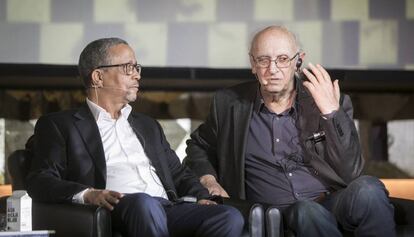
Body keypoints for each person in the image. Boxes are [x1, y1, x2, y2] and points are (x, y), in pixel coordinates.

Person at [185, 26, 396, 236]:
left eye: (283, 59)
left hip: (332, 200)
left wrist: (331, 114)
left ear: (298, 61)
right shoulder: (229, 104)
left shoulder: (329, 100)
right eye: (263, 60)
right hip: (276, 212)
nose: (273, 69)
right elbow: (199, 146)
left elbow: (352, 172)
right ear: (253, 64)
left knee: (368, 188)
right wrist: (208, 180)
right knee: (306, 210)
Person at [26, 37, 244, 237]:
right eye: (128, 68)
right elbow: (40, 180)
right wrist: (88, 194)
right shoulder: (60, 125)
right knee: (144, 203)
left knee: (228, 216)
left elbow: (178, 174)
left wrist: (200, 197)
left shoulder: (147, 125)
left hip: (167, 207)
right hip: (120, 208)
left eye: (137, 68)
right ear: (98, 77)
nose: (137, 75)